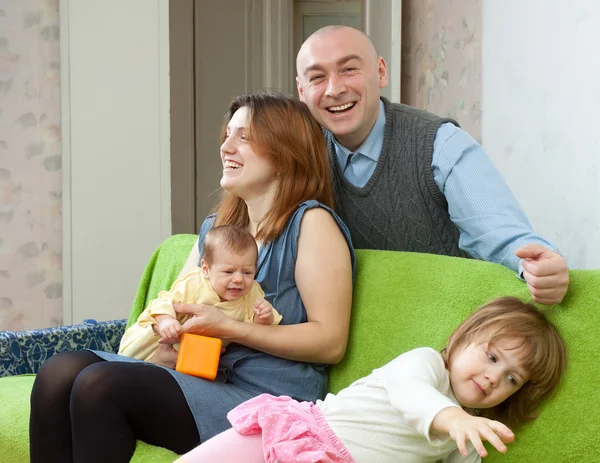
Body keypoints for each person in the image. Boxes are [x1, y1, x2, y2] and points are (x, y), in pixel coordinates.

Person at [29, 91, 355, 463]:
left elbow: (330, 343)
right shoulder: (218, 230)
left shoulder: (312, 224)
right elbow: (177, 303)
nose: (226, 147)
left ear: (285, 154)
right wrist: (169, 331)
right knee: (58, 373)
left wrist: (230, 328)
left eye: (244, 138)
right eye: (227, 135)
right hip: (202, 376)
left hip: (267, 397)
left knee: (100, 385)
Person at [295, 25, 569, 306]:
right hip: (358, 334)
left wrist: (541, 267)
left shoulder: (440, 143)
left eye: (349, 69)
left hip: (454, 324)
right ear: (302, 91)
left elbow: (503, 234)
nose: (334, 89)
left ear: (380, 72)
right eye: (317, 77)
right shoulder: (297, 157)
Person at [175, 296, 567, 463]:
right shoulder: (427, 364)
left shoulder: (463, 440)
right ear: (462, 339)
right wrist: (455, 419)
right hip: (299, 436)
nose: (492, 377)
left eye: (512, 378)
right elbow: (413, 395)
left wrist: (462, 428)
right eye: (492, 356)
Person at [118, 225, 282, 362]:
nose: (239, 279)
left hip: (187, 361)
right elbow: (163, 302)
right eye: (228, 271)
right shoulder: (195, 283)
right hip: (150, 342)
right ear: (206, 270)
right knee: (126, 362)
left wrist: (263, 317)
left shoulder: (251, 294)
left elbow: (255, 330)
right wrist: (166, 321)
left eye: (247, 272)